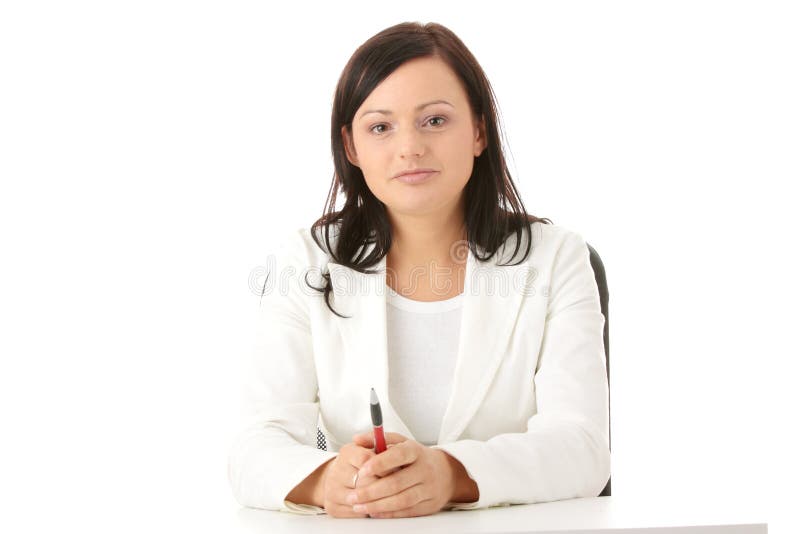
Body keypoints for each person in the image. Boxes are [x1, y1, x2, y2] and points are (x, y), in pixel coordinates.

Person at [227, 21, 610, 519]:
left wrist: (450, 473)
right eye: (380, 127)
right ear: (351, 147)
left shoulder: (557, 259)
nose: (410, 147)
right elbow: (254, 446)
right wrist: (326, 482)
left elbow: (582, 449)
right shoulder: (306, 263)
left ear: (478, 130)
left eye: (434, 120)